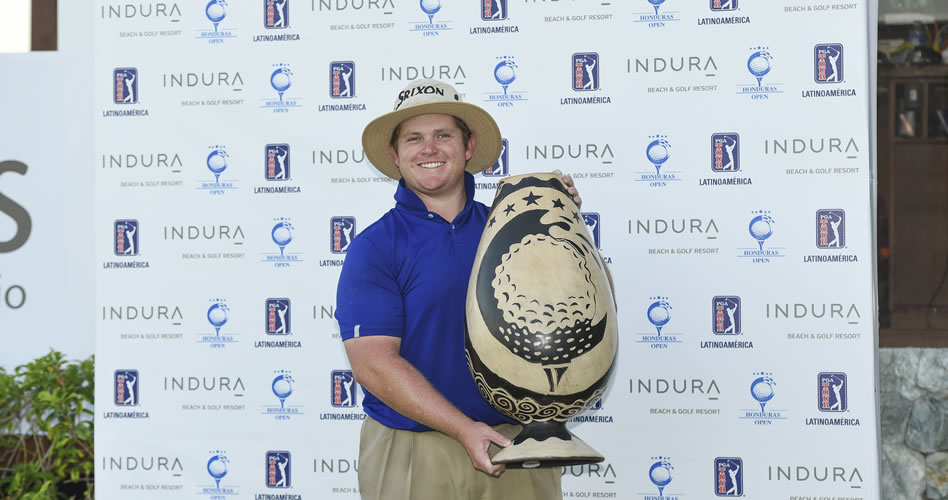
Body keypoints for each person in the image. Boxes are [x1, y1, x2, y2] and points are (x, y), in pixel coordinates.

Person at [334, 79, 582, 500]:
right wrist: (462, 428)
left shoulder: (514, 228)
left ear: (468, 148)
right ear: (395, 155)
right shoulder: (374, 246)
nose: (428, 149)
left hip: (517, 444)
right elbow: (373, 364)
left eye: (442, 135)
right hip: (414, 448)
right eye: (414, 138)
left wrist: (567, 228)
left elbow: (587, 308)